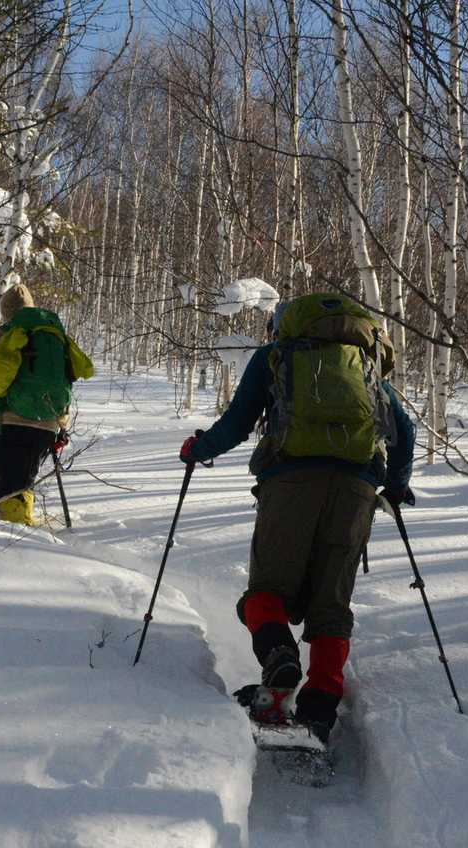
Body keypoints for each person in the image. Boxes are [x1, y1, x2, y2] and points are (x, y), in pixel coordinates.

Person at [178, 293, 417, 742]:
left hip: (289, 483)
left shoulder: (277, 356)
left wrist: (197, 449)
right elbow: (404, 430)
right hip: (357, 489)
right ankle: (320, 705)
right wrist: (396, 486)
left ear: (284, 327)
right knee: (331, 603)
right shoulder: (364, 365)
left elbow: (237, 422)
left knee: (267, 591)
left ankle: (279, 658)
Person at [0, 284, 94, 525]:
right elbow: (62, 384)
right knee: (24, 482)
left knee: (10, 488)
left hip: (9, 423)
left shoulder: (1, 335)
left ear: (6, 312)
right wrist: (61, 426)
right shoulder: (53, 337)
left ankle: (14, 537)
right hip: (46, 426)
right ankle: (22, 527)